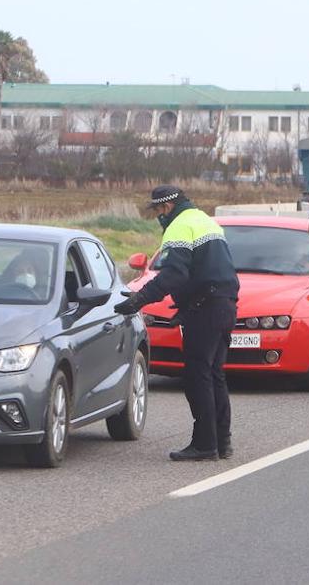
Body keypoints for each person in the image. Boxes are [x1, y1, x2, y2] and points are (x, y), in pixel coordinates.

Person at [114, 185, 240, 461]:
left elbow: (174, 274)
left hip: (205, 310)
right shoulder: (206, 221)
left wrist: (139, 299)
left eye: (158, 210)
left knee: (198, 377)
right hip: (225, 304)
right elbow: (210, 269)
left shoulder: (178, 227)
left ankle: (205, 444)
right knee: (215, 374)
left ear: (166, 207)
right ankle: (222, 441)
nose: (158, 216)